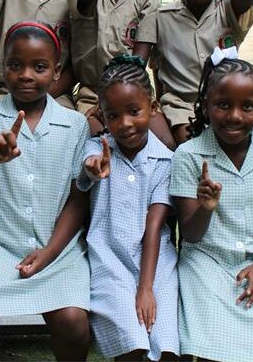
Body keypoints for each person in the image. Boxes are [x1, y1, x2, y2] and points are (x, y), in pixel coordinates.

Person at [0, 22, 91, 361]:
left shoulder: (75, 124)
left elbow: (78, 197)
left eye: (39, 67)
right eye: (15, 65)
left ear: (57, 72)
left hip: (56, 248)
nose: (26, 75)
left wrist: (50, 252)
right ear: (2, 67)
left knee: (73, 322)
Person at [170, 50, 253, 362]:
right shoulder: (188, 156)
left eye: (248, 106)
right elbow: (190, 234)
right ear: (205, 107)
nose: (235, 116)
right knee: (212, 349)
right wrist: (206, 206)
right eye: (223, 105)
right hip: (206, 264)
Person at [78, 55, 178, 361]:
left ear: (153, 106)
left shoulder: (165, 161)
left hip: (156, 263)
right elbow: (87, 169)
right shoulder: (97, 148)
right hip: (110, 261)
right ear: (101, 115)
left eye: (134, 111)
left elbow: (154, 228)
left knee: (168, 344)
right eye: (113, 116)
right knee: (132, 343)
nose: (125, 124)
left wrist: (146, 287)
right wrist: (93, 169)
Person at [135, 0, 253, 148]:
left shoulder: (229, 9)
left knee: (234, 146)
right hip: (180, 104)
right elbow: (157, 68)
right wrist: (162, 106)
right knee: (191, 145)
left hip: (224, 101)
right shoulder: (161, 17)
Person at [68, 0, 160, 137]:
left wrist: (122, 94)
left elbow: (140, 57)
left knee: (163, 140)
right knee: (99, 138)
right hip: (92, 92)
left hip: (134, 89)